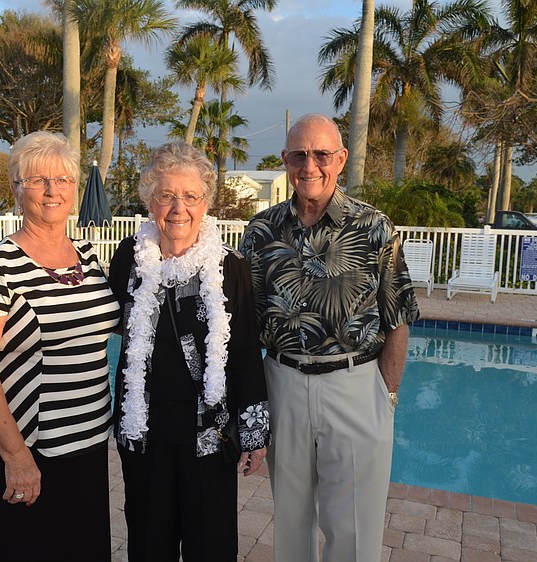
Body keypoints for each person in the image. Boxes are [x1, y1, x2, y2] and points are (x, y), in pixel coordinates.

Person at [238, 113, 420, 562]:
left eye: (322, 154)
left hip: (355, 385)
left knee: (355, 529)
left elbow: (398, 315)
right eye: (299, 154)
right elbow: (242, 322)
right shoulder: (260, 232)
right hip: (283, 382)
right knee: (292, 523)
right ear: (284, 160)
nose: (310, 165)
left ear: (340, 159)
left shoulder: (374, 227)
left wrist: (387, 394)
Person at [0, 131, 120, 561]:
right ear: (16, 188)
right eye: (38, 180)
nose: (53, 190)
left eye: (63, 180)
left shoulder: (88, 256)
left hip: (84, 443)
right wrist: (16, 455)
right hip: (27, 446)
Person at [108, 141, 270, 562]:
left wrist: (254, 435)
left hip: (209, 434)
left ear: (206, 203)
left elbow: (246, 352)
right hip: (145, 431)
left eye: (190, 196)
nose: (178, 207)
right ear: (149, 200)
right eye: (166, 195)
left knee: (210, 544)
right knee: (148, 542)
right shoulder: (129, 257)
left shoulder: (229, 265)